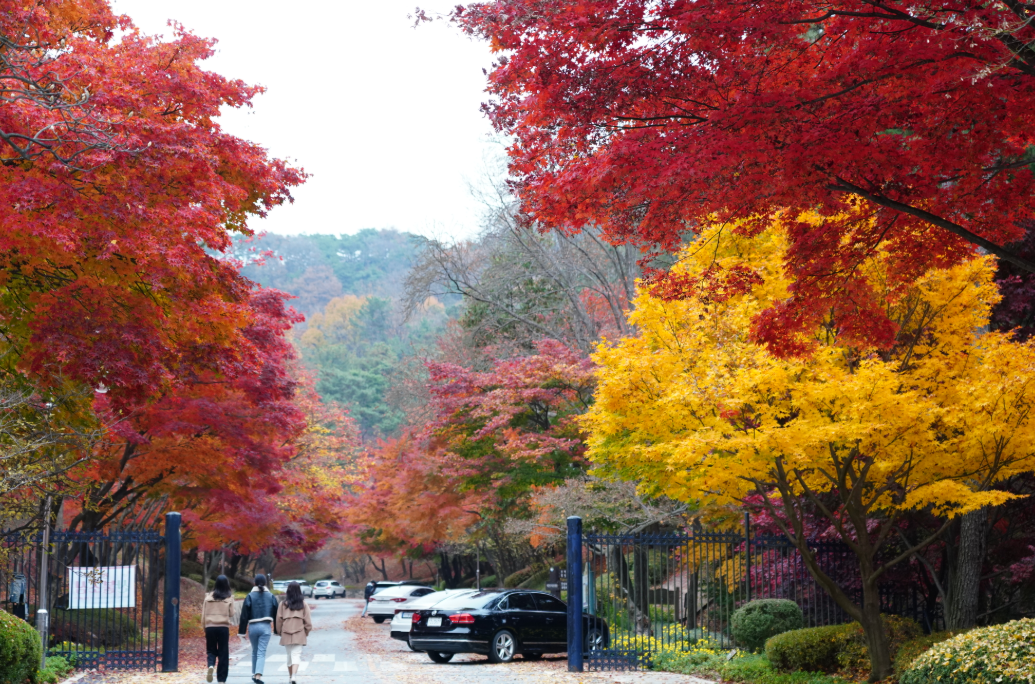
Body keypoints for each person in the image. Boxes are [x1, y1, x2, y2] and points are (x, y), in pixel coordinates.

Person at [238, 574, 278, 683]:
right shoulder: (271, 596)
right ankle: (258, 675)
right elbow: (276, 613)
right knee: (261, 652)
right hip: (265, 627)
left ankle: (254, 673)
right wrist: (277, 630)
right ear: (265, 583)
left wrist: (242, 632)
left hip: (253, 627)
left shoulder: (250, 596)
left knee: (255, 651)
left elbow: (244, 615)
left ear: (254, 583)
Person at [275, 582, 312, 684]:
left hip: (286, 633)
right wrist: (306, 632)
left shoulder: (282, 604)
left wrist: (280, 632)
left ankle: (291, 676)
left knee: (289, 655)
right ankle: (294, 676)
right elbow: (308, 621)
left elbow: (279, 620)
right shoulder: (303, 604)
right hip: (299, 633)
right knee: (296, 655)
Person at [202, 575, 236, 684]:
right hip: (223, 627)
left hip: (210, 627)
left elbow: (203, 615)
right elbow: (231, 613)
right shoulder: (229, 597)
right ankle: (221, 680)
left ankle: (211, 666)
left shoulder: (208, 597)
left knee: (211, 650)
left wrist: (204, 628)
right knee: (223, 653)